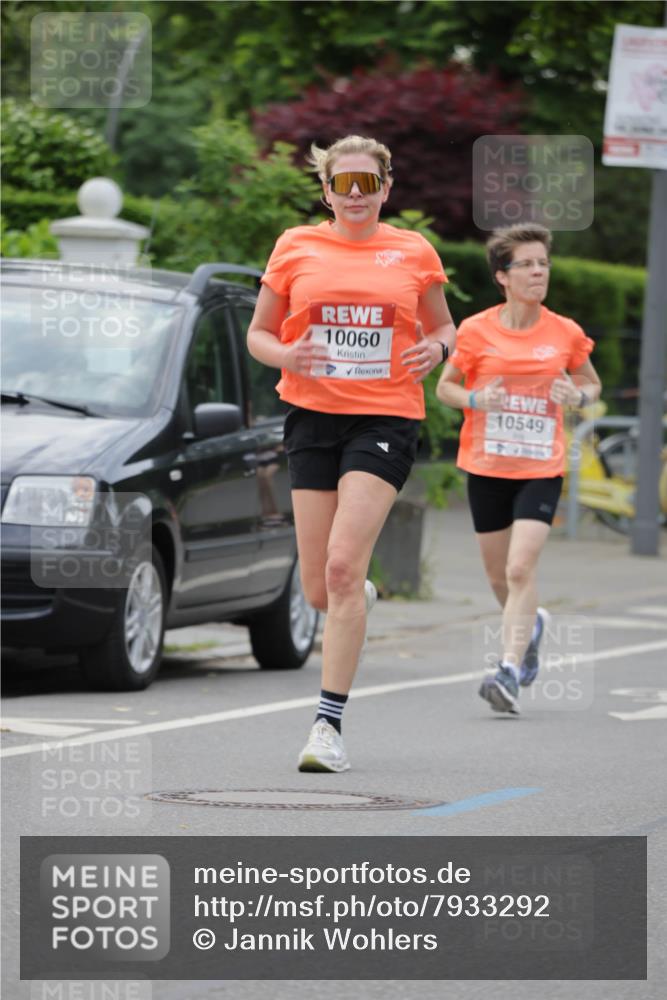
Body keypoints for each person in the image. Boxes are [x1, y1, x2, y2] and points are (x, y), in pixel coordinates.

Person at [247, 135, 456, 771]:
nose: (357, 195)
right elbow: (259, 333)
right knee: (320, 589)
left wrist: (437, 350)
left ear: (386, 189)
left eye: (369, 184)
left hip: (385, 416)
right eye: (345, 184)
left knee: (340, 568)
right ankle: (352, 598)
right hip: (312, 418)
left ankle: (326, 728)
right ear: (328, 191)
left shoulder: (414, 251)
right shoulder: (295, 246)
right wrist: (285, 354)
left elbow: (444, 326)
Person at [436, 223, 602, 715]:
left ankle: (507, 671)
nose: (537, 272)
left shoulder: (564, 332)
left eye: (543, 264)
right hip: (486, 464)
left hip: (541, 465)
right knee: (498, 578)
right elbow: (445, 386)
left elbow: (591, 383)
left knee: (519, 566)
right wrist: (474, 397)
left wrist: (578, 396)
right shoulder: (476, 330)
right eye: (526, 264)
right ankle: (532, 627)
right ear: (502, 277)